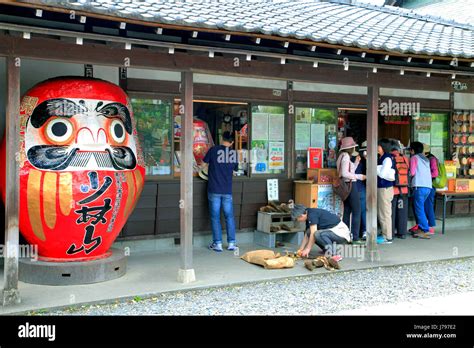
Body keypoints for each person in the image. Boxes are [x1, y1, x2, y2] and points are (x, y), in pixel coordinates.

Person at [203, 131, 239, 251]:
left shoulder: (213, 150)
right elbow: (235, 170)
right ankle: (231, 243)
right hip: (227, 190)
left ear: (222, 139)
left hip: (214, 189)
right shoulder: (233, 153)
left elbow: (202, 164)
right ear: (232, 142)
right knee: (229, 217)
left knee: (215, 217)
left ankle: (217, 244)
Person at [336, 137, 366, 244]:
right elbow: (345, 174)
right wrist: (359, 176)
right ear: (351, 148)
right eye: (353, 147)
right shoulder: (345, 157)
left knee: (347, 211)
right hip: (350, 185)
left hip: (345, 186)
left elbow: (348, 169)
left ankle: (345, 236)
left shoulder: (342, 156)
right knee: (357, 211)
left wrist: (356, 163)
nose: (354, 148)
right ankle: (355, 237)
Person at [408, 141, 432, 239]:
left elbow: (412, 172)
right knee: (420, 207)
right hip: (428, 186)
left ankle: (425, 229)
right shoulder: (426, 159)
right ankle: (421, 228)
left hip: (419, 186)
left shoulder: (414, 158)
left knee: (419, 208)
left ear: (412, 150)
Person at [377, 138, 396, 244]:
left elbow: (383, 174)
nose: (377, 148)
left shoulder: (387, 159)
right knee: (382, 212)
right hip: (382, 188)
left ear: (383, 147)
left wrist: (375, 168)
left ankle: (387, 237)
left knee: (385, 213)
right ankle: (385, 234)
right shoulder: (381, 158)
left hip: (385, 189)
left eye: (378, 146)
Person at [390, 139, 409, 239]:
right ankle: (402, 233)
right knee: (402, 211)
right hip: (404, 189)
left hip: (393, 190)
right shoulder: (405, 158)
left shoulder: (390, 158)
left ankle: (391, 233)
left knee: (391, 212)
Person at [352, 140, 367, 240]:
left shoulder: (348, 158)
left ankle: (353, 233)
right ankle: (365, 231)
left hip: (352, 188)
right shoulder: (364, 160)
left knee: (353, 212)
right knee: (362, 211)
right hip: (361, 188)